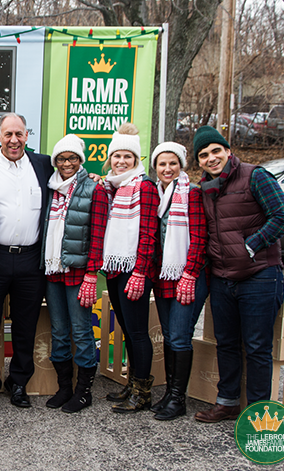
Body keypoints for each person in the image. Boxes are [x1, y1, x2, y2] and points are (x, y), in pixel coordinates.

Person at [192, 126, 284, 423]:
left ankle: (259, 412)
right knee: (227, 343)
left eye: (215, 151)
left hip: (260, 276)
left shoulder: (255, 176)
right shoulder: (205, 189)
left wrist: (253, 245)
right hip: (223, 278)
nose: (211, 158)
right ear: (199, 161)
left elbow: (282, 215)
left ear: (227, 151)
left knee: (257, 346)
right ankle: (227, 402)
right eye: (203, 155)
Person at [0, 113, 54, 409]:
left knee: (25, 326)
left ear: (27, 135)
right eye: (8, 134)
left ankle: (18, 383)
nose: (14, 140)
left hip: (31, 261)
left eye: (19, 134)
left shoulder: (44, 165)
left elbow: (72, 177)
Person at [41, 134, 108, 413]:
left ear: (80, 160)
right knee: (59, 331)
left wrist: (92, 274)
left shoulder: (95, 189)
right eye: (61, 158)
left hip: (79, 272)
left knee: (81, 332)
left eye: (72, 158)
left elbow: (98, 235)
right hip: (52, 270)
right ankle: (65, 387)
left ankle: (84, 392)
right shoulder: (50, 188)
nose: (66, 163)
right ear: (55, 161)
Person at [101, 123, 159, 413]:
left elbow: (149, 233)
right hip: (114, 267)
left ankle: (143, 392)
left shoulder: (143, 186)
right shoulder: (114, 185)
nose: (121, 161)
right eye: (116, 156)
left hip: (134, 269)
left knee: (137, 332)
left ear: (136, 161)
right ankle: (133, 383)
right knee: (125, 327)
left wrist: (140, 271)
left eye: (127, 157)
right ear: (110, 158)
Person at [149, 142, 208, 421]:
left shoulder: (191, 194)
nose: (167, 169)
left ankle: (178, 399)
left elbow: (199, 238)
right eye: (162, 164)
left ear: (181, 165)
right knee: (170, 335)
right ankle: (171, 393)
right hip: (164, 276)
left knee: (180, 335)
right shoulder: (157, 194)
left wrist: (190, 274)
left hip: (188, 275)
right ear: (155, 168)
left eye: (172, 163)